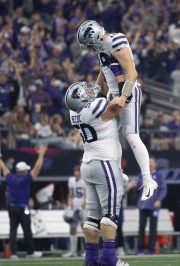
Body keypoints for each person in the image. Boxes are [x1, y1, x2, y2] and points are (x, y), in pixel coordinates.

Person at [77, 21, 158, 201]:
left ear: (97, 36)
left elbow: (132, 72)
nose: (89, 49)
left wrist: (123, 96)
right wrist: (96, 92)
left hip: (128, 92)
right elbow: (104, 70)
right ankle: (118, 172)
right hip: (113, 94)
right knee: (108, 133)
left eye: (89, 44)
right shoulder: (102, 48)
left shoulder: (115, 42)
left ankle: (148, 179)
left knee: (131, 134)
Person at [64, 81, 130, 266]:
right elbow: (118, 105)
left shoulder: (74, 112)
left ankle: (91, 258)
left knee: (93, 215)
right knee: (110, 213)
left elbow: (97, 88)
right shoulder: (95, 106)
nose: (89, 89)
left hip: (88, 163)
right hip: (105, 162)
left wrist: (102, 69)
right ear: (82, 97)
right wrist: (128, 89)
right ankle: (109, 257)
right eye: (84, 91)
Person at [0, 145, 47, 259]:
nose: (28, 171)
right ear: (23, 171)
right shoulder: (26, 178)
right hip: (23, 208)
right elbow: (37, 168)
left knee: (13, 231)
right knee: (27, 230)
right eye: (26, 170)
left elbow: (4, 169)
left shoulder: (11, 178)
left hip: (11, 207)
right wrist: (41, 154)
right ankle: (30, 252)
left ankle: (13, 254)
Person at [130, 156, 167, 255]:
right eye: (148, 162)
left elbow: (163, 189)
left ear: (155, 164)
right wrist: (132, 184)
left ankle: (152, 250)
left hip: (154, 206)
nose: (150, 164)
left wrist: (159, 200)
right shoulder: (141, 175)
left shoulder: (159, 176)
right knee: (141, 228)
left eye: (151, 162)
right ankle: (140, 249)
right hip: (143, 205)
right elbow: (136, 186)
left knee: (153, 228)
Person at [62, 165, 86, 257]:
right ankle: (73, 251)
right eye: (75, 171)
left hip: (83, 207)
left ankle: (88, 251)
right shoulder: (71, 180)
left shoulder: (85, 180)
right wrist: (69, 207)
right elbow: (70, 195)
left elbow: (86, 196)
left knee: (85, 228)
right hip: (74, 206)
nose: (76, 173)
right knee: (72, 228)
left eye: (78, 171)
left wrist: (81, 207)